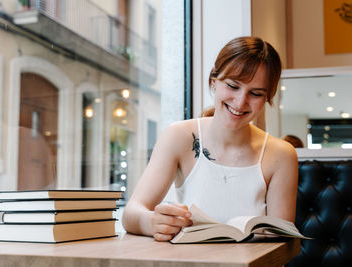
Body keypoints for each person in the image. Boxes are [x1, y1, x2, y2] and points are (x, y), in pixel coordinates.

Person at [122, 36, 298, 242]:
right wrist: (154, 221)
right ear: (213, 81)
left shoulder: (282, 155)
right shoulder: (179, 136)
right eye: (233, 86)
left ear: (268, 98)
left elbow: (281, 243)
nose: (240, 102)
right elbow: (131, 214)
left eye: (256, 93)